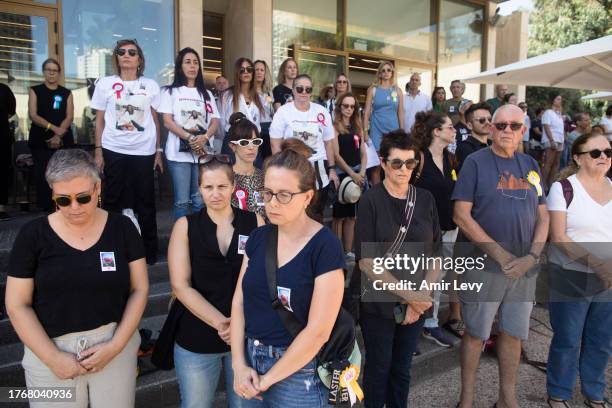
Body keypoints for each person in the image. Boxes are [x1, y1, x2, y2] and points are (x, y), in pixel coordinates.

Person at [6, 149, 148, 408]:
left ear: (97, 188)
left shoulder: (122, 228)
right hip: (49, 351)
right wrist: (53, 358)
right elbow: (17, 304)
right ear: (52, 194)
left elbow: (139, 288)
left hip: (114, 346)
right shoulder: (32, 236)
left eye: (83, 198)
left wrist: (116, 345)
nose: (74, 208)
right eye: (63, 200)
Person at [230, 142, 346, 406]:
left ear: (307, 197)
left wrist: (268, 378)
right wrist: (238, 363)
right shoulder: (258, 238)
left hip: (298, 370)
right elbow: (239, 301)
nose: (272, 203)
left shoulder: (325, 245)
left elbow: (318, 331)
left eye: (284, 195)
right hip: (250, 361)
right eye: (267, 193)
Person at [453, 104, 549, 408]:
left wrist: (532, 256)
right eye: (501, 125)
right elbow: (461, 216)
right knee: (476, 333)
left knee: (513, 333)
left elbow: (544, 216)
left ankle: (507, 398)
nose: (507, 130)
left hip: (524, 268)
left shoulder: (531, 164)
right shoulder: (475, 163)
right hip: (484, 265)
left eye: (514, 126)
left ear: (523, 130)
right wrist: (500, 253)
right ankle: (466, 400)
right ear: (491, 128)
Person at [351, 129, 440, 408]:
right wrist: (409, 297)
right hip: (378, 302)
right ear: (383, 162)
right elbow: (366, 260)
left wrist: (421, 297)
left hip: (418, 302)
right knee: (379, 368)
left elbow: (436, 252)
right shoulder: (370, 201)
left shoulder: (425, 199)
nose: (404, 169)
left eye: (410, 163)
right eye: (397, 163)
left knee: (402, 370)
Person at [168, 153, 262, 408]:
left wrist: (238, 326)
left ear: (233, 187)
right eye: (208, 187)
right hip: (197, 335)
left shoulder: (254, 221)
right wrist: (222, 323)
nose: (215, 193)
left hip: (246, 335)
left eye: (222, 186)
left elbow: (262, 277)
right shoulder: (185, 226)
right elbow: (180, 285)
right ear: (199, 188)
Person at [545, 132, 612, 408]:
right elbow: (559, 237)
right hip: (571, 276)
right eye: (595, 153)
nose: (604, 157)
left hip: (609, 279)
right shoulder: (563, 189)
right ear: (577, 157)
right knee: (568, 339)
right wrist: (598, 264)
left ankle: (594, 392)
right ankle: (559, 393)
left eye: (608, 152)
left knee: (601, 340)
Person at [92, 39, 163, 265]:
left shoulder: (150, 85)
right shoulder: (105, 84)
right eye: (121, 52)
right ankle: (112, 249)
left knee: (145, 202)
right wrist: (98, 150)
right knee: (112, 201)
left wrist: (158, 151)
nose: (126, 55)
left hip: (144, 151)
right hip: (114, 148)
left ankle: (149, 253)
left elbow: (155, 120)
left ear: (139, 59)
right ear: (116, 57)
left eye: (132, 52)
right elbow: (100, 120)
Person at [412, 112, 458, 349]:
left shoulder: (451, 159)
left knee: (437, 278)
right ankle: (410, 327)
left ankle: (430, 323)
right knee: (416, 277)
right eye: (450, 127)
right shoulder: (419, 158)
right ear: (436, 132)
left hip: (448, 228)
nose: (454, 131)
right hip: (422, 231)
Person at [159, 47, 220, 220]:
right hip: (178, 156)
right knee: (182, 202)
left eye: (195, 62)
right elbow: (167, 121)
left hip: (202, 153)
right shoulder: (169, 92)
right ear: (180, 67)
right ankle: (181, 240)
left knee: (199, 199)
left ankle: (197, 239)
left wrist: (205, 137)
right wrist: (191, 138)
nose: (192, 66)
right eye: (187, 62)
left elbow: (215, 120)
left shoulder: (206, 94)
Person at [269, 74, 339, 221]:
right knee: (293, 213)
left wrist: (332, 169)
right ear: (293, 90)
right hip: (291, 166)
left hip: (319, 170)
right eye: (300, 88)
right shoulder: (283, 112)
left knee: (315, 214)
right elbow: (275, 142)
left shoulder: (321, 111)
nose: (303, 92)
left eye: (308, 89)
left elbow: (328, 142)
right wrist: (279, 167)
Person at [28, 58, 75, 212]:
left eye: (54, 70)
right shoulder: (35, 90)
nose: (51, 73)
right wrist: (54, 128)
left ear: (59, 73)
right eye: (48, 70)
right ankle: (45, 209)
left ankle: (63, 206)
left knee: (63, 174)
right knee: (43, 174)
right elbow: (33, 115)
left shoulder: (66, 93)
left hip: (63, 139)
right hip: (40, 139)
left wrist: (59, 135)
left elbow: (69, 116)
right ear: (44, 72)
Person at [331, 92, 367, 260]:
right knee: (339, 217)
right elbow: (336, 155)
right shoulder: (334, 127)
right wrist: (352, 174)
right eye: (345, 106)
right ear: (340, 107)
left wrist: (362, 173)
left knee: (352, 216)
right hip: (342, 174)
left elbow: (364, 153)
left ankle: (348, 251)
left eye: (352, 106)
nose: (349, 109)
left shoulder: (358, 127)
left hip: (357, 175)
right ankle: (336, 251)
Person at [364, 60, 404, 184]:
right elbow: (366, 112)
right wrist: (365, 131)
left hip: (393, 131)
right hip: (376, 130)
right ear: (380, 74)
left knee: (392, 164)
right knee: (376, 166)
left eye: (389, 70)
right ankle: (377, 196)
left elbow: (401, 113)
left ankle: (390, 193)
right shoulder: (373, 89)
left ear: (392, 73)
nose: (386, 73)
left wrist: (402, 132)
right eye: (383, 70)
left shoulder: (398, 91)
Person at [220, 58, 264, 160]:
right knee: (231, 175)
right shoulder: (228, 95)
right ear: (237, 73)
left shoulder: (259, 97)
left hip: (253, 143)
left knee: (254, 174)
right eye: (242, 70)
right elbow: (222, 122)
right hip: (233, 142)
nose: (246, 72)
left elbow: (258, 123)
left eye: (249, 69)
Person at [227, 112, 266, 218]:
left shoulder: (266, 177)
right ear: (232, 146)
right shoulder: (226, 178)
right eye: (244, 142)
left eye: (255, 142)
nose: (251, 147)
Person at [455, 102, 492, 172]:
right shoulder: (465, 148)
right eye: (482, 120)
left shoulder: (493, 144)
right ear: (469, 125)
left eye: (490, 119)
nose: (488, 123)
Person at [541, 93, 565, 190]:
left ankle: (550, 185)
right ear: (553, 101)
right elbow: (546, 126)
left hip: (560, 140)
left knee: (556, 163)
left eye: (560, 99)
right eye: (558, 99)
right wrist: (551, 140)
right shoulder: (548, 112)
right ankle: (542, 185)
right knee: (548, 162)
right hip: (551, 140)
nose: (560, 101)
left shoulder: (559, 114)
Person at [0, 82, 16, 220]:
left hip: (2, 137)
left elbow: (12, 111)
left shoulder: (4, 89)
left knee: (2, 171)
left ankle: (1, 208)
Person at [254, 60, 274, 162]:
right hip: (255, 128)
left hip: (268, 129)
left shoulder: (269, 92)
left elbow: (272, 111)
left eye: (262, 70)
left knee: (268, 161)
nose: (259, 72)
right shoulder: (248, 91)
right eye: (256, 69)